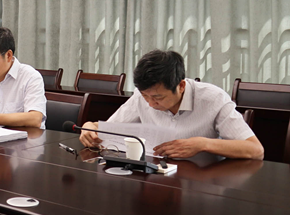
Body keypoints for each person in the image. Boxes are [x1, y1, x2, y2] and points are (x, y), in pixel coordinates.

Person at [79, 50, 264, 160]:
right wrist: (90, 127)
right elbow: (109, 129)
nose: (150, 103)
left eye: (158, 97)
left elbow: (256, 150)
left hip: (203, 181)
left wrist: (202, 144)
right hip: (156, 179)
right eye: (145, 96)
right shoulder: (141, 96)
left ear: (181, 86)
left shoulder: (213, 99)